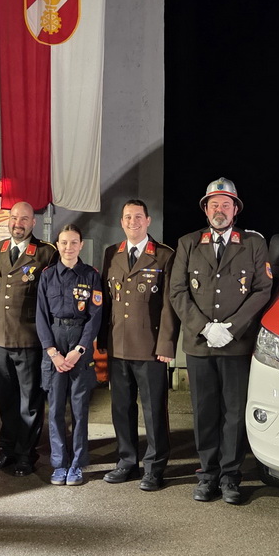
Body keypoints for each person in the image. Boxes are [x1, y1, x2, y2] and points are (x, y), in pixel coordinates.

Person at [170, 178, 273, 505]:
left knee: (233, 412)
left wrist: (233, 327)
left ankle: (230, 476)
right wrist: (204, 327)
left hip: (235, 344)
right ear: (205, 209)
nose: (219, 210)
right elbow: (177, 291)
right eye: (214, 204)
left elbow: (262, 289)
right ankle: (207, 475)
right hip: (200, 345)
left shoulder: (253, 244)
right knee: (204, 412)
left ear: (235, 210)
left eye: (225, 204)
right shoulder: (188, 243)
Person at [99, 199, 179, 491]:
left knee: (154, 410)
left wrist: (166, 345)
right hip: (118, 344)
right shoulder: (112, 253)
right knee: (121, 408)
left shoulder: (165, 255)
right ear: (121, 222)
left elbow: (170, 305)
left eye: (137, 217)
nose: (132, 222)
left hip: (150, 347)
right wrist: (102, 339)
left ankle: (155, 468)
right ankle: (127, 461)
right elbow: (105, 300)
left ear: (148, 221)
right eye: (127, 217)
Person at [0, 202, 57, 476]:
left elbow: (50, 299)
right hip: (1, 338)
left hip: (30, 339)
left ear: (33, 223)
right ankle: (7, 449)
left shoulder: (46, 253)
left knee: (30, 402)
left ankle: (26, 454)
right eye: (14, 217)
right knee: (6, 400)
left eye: (24, 219)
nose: (18, 223)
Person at [36, 223, 105, 486]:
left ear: (81, 245)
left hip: (79, 344)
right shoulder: (47, 275)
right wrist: (52, 352)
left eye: (74, 242)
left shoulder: (90, 275)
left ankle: (76, 463)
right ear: (57, 245)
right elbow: (41, 316)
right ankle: (59, 464)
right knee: (55, 410)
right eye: (64, 242)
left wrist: (80, 350)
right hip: (54, 342)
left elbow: (95, 316)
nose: (69, 247)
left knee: (79, 409)